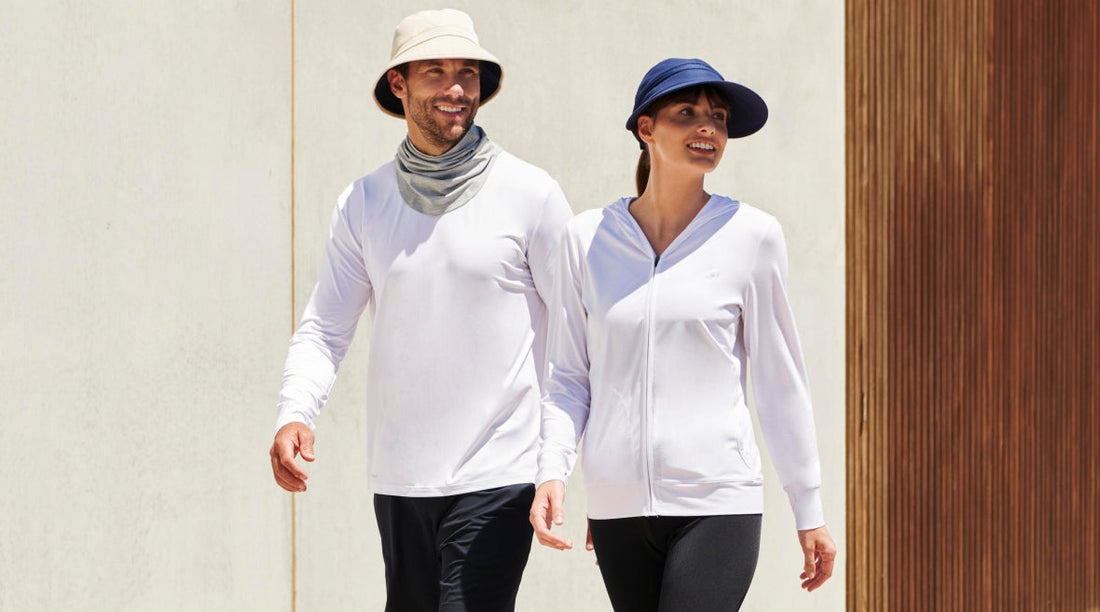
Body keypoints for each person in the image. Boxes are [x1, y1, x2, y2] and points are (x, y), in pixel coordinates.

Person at [268, 9, 572, 611]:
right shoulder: (365, 202)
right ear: (399, 84)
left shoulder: (531, 194)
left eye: (468, 73)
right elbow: (326, 327)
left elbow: (579, 340)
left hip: (498, 472)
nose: (456, 89)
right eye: (436, 71)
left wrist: (557, 464)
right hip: (400, 476)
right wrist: (293, 411)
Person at [529, 58, 836, 610]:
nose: (708, 129)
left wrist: (808, 509)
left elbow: (779, 382)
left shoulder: (752, 236)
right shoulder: (586, 239)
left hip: (718, 503)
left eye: (718, 118)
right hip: (619, 507)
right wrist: (552, 471)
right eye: (687, 113)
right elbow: (569, 376)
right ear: (646, 128)